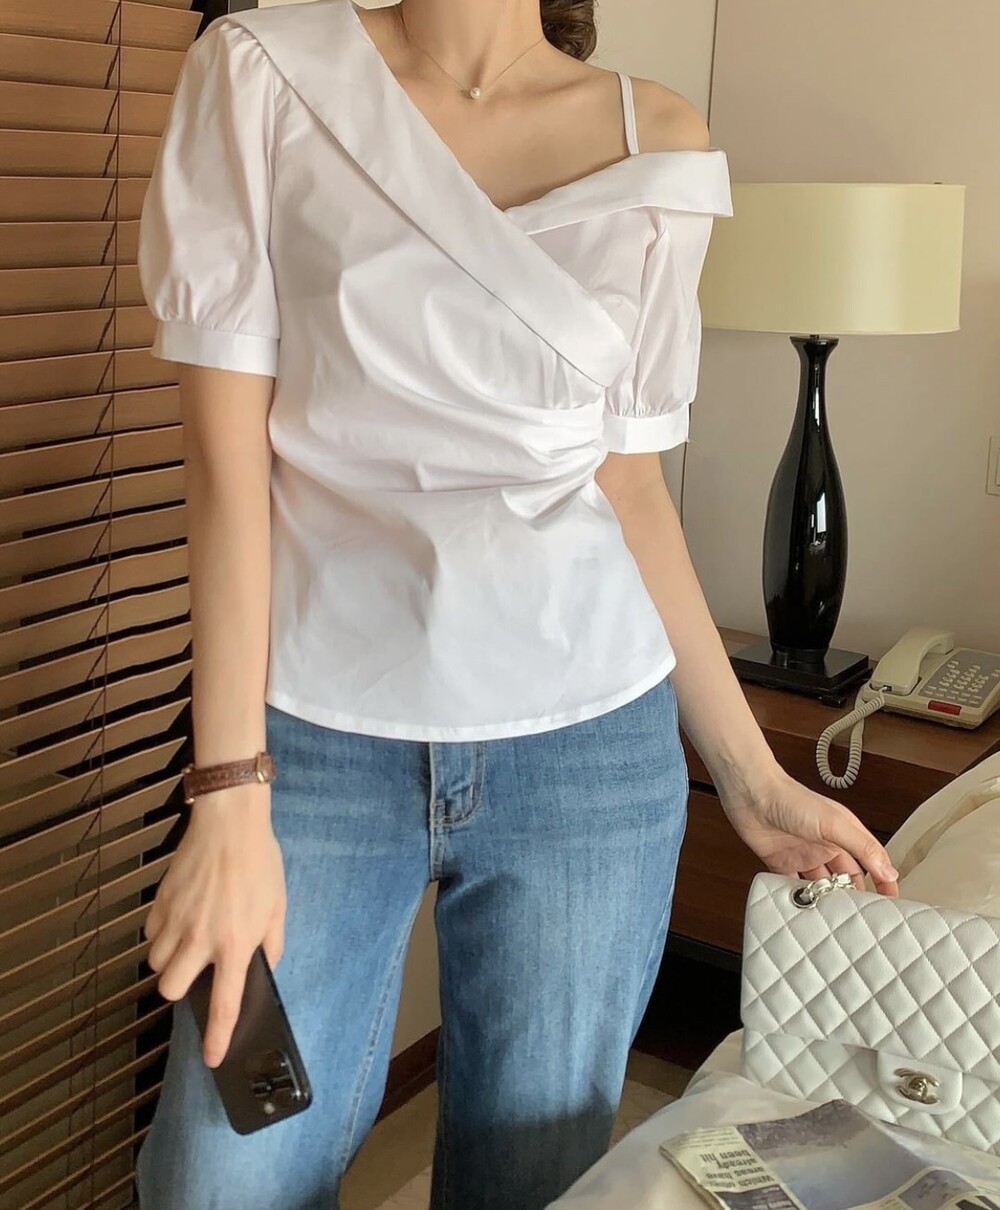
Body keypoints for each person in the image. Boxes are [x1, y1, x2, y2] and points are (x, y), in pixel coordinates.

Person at [132, 2, 899, 1207]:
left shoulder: (657, 136)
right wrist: (226, 793)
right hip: (313, 747)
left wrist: (752, 779)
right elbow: (225, 473)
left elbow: (629, 489)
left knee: (534, 1185)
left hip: (587, 758)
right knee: (218, 1177)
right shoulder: (265, 73)